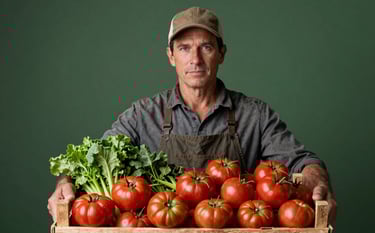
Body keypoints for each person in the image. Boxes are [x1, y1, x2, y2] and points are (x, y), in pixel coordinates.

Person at [48, 6, 337, 227]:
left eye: (206, 47)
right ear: (171, 56)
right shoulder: (142, 114)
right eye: (184, 48)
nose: (195, 60)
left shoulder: (255, 115)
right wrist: (65, 184)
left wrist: (317, 180)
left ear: (221, 54)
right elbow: (92, 159)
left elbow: (303, 161)